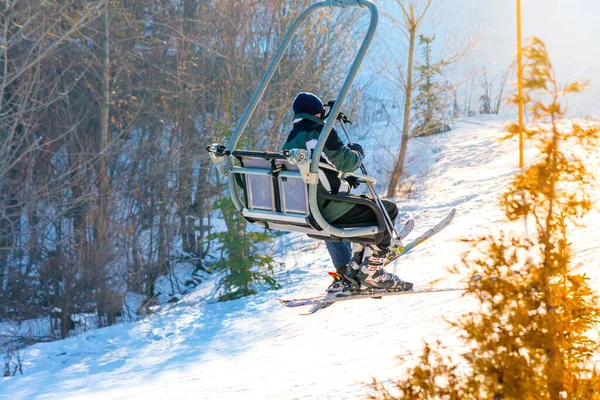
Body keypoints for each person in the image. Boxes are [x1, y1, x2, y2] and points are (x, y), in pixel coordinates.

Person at [283, 92, 412, 291]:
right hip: (333, 208)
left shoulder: (290, 142)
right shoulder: (322, 132)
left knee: (366, 209)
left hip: (311, 209)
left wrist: (343, 180)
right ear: (317, 113)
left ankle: (353, 267)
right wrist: (357, 151)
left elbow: (317, 170)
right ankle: (372, 273)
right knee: (386, 210)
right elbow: (347, 162)